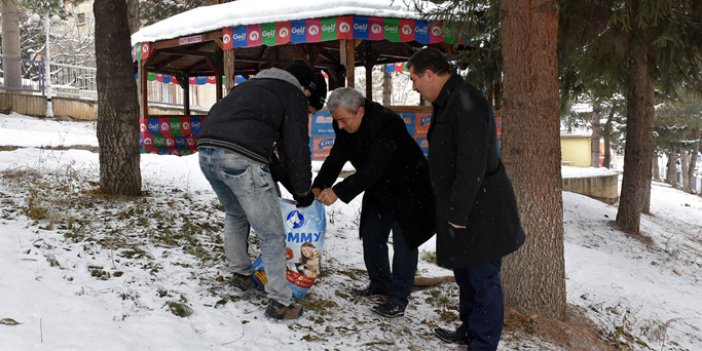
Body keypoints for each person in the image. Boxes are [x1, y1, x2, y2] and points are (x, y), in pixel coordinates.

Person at [407, 47, 525, 350]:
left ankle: (483, 343)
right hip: (463, 204)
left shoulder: (465, 99)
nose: (414, 86)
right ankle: (470, 329)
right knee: (465, 272)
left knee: (483, 277)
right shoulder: (449, 100)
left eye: (415, 79)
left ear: (430, 75)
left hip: (480, 207)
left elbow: (472, 162)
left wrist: (458, 213)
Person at [197, 61, 322, 320]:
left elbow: (271, 158)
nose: (307, 113)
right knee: (272, 233)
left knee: (235, 214)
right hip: (240, 157)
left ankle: (241, 275)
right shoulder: (293, 94)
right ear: (306, 90)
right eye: (310, 110)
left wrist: (297, 189)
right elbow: (295, 149)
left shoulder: (250, 88)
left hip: (207, 152)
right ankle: (280, 302)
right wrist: (302, 193)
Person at [311, 87, 435, 318]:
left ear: (360, 111)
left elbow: (374, 168)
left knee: (404, 241)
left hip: (409, 187)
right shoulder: (342, 124)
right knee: (371, 234)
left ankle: (398, 298)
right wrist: (320, 184)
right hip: (380, 188)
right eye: (336, 121)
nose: (339, 126)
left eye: (343, 120)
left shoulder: (388, 123)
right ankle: (380, 283)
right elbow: (337, 156)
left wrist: (337, 191)